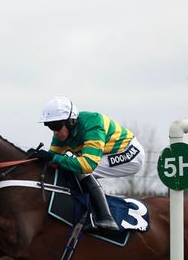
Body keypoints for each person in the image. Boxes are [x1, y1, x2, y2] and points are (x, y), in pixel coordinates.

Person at [31, 96, 145, 230]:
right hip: (108, 154)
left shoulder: (92, 124)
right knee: (67, 168)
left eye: (56, 126)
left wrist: (53, 158)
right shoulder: (60, 135)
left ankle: (106, 219)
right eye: (50, 127)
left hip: (130, 154)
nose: (55, 132)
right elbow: (53, 161)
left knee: (80, 169)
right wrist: (37, 158)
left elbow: (87, 165)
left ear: (71, 122)